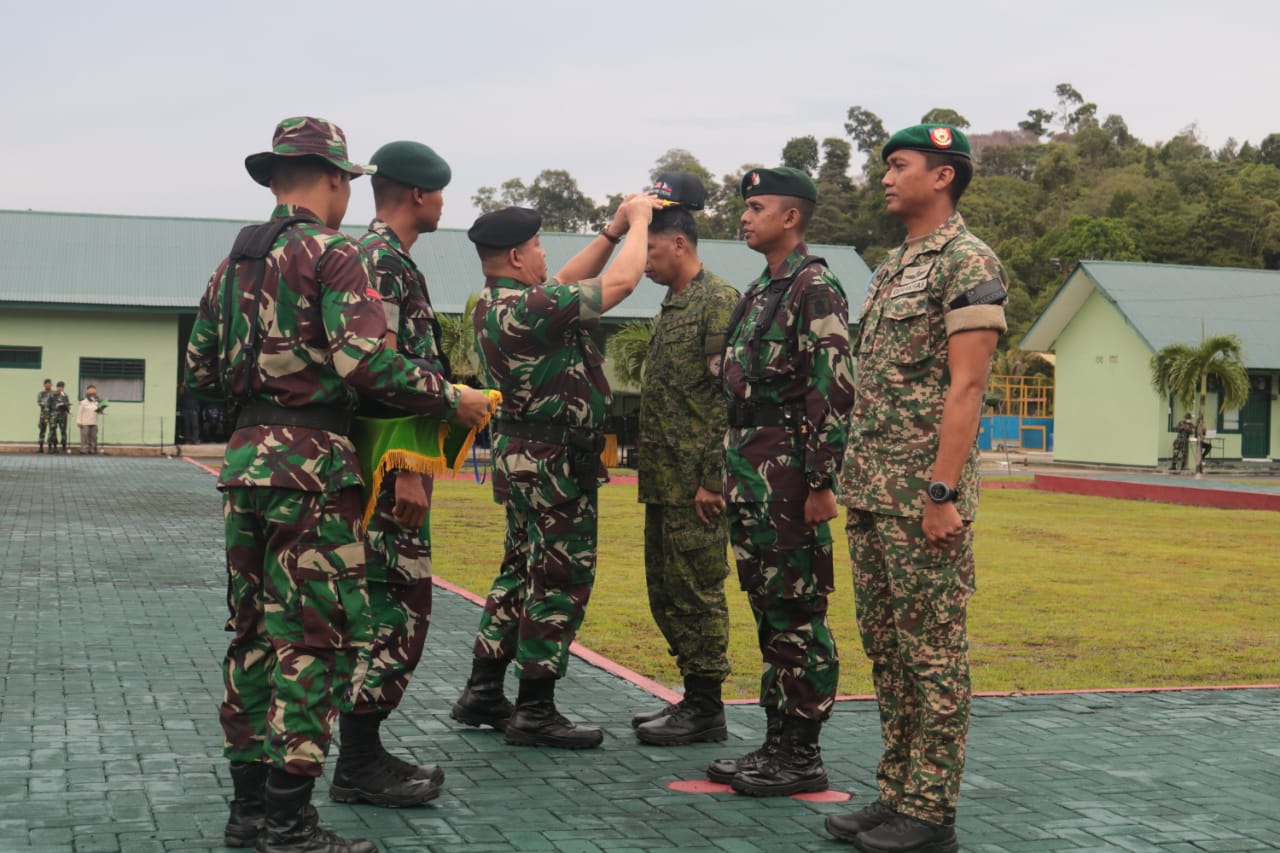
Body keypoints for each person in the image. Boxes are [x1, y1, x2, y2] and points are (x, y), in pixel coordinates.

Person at [184, 115, 491, 853]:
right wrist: (456, 398)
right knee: (312, 643)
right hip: (314, 471)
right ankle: (292, 822)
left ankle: (249, 812)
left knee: (253, 637)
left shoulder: (234, 263)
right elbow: (368, 364)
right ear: (333, 179)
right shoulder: (333, 255)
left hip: (246, 465)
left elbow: (200, 370)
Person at [826, 124, 1007, 853]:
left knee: (932, 653)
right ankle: (898, 792)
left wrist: (941, 493)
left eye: (898, 165)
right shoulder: (893, 266)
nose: (885, 177)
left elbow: (967, 387)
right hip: (872, 491)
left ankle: (932, 813)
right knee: (889, 651)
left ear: (943, 174)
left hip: (919, 499)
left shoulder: (966, 260)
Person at [450, 194, 660, 749]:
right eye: (538, 246)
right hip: (556, 466)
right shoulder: (535, 309)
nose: (546, 255)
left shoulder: (497, 306)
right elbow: (621, 285)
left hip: (521, 458)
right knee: (560, 578)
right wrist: (639, 222)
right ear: (518, 256)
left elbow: (565, 279)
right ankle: (536, 711)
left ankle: (484, 690)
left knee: (518, 570)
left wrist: (611, 232)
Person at [706, 167, 854, 796]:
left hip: (791, 479)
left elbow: (834, 390)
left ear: (790, 217)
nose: (744, 216)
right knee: (769, 611)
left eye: (757, 206)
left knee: (797, 613)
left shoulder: (813, 288)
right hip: (751, 475)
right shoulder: (761, 291)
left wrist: (821, 481)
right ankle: (775, 742)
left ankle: (802, 752)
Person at [327, 140, 456, 809]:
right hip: (384, 468)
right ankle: (357, 761)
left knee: (391, 605)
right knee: (394, 606)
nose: (442, 203)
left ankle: (364, 751)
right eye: (439, 193)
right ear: (418, 195)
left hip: (383, 465)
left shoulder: (383, 258)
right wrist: (408, 466)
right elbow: (384, 374)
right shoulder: (381, 261)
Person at [630, 172, 740, 746]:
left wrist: (712, 480)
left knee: (699, 591)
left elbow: (729, 399)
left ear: (678, 243)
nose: (641, 260)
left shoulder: (717, 303)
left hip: (697, 487)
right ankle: (691, 696)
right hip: (662, 483)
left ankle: (706, 708)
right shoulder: (670, 307)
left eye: (647, 247)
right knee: (665, 593)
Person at [76, 385, 105, 454]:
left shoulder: (96, 402)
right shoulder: (83, 402)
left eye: (94, 392)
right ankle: (83, 450)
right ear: (87, 392)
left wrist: (101, 410)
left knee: (93, 437)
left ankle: (92, 450)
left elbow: (98, 411)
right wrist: (78, 421)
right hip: (85, 422)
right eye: (91, 392)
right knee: (84, 437)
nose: (92, 393)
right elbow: (79, 412)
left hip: (94, 422)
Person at [44, 381, 71, 453]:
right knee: (52, 431)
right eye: (59, 387)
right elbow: (47, 406)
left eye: (62, 387)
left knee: (63, 431)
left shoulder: (65, 395)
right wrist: (46, 417)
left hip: (63, 415)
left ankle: (64, 447)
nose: (61, 388)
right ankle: (51, 447)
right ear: (57, 387)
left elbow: (67, 404)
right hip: (53, 415)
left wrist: (68, 407)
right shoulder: (52, 395)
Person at [36, 378, 53, 453]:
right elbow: (40, 402)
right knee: (42, 430)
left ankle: (50, 447)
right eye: (46, 383)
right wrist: (47, 404)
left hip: (52, 415)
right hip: (43, 415)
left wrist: (48, 404)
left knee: (52, 431)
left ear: (51, 384)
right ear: (44, 385)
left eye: (49, 383)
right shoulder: (41, 393)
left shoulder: (54, 393)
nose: (48, 385)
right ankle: (41, 447)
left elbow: (54, 403)